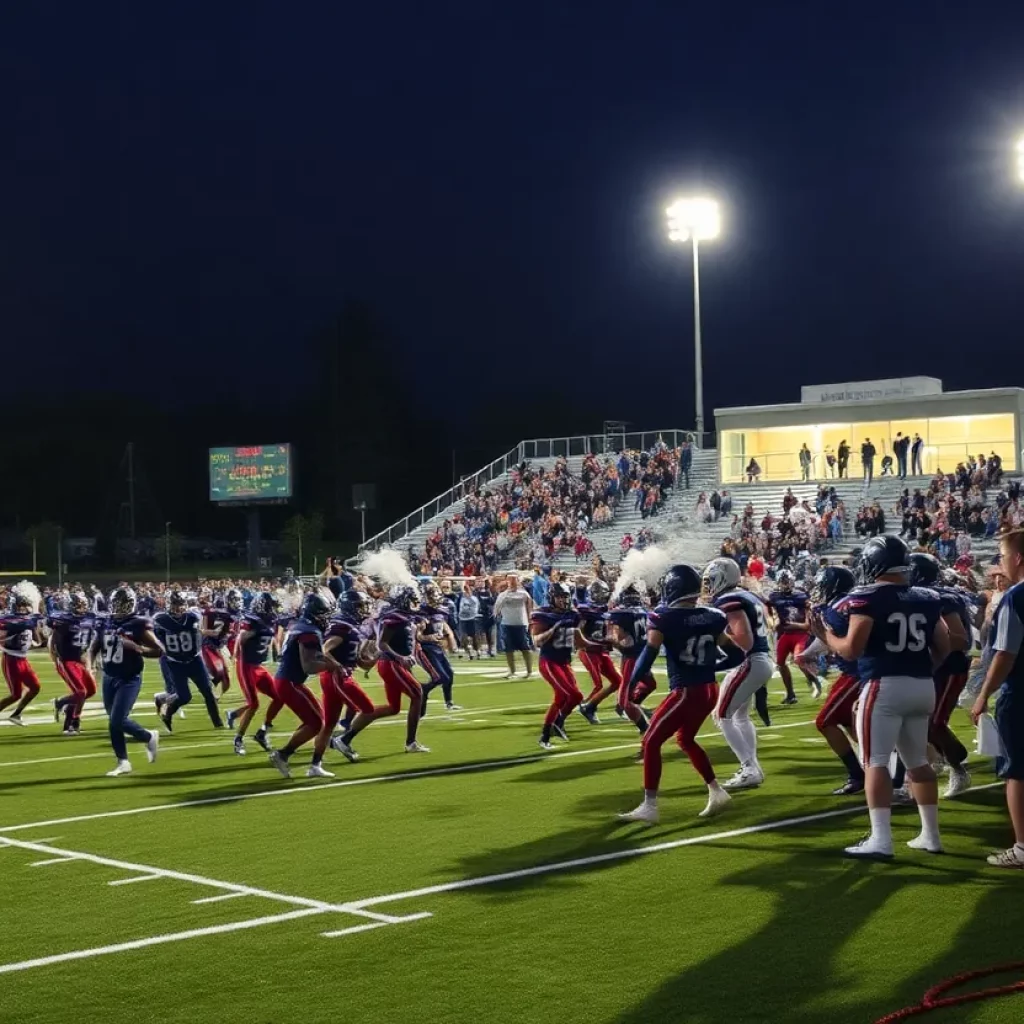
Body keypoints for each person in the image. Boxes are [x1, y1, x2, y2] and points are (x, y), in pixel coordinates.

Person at [825, 535, 949, 858]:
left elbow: (851, 650)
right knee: (918, 762)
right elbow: (945, 645)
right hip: (923, 686)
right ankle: (931, 835)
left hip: (884, 686)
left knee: (875, 763)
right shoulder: (926, 596)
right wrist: (919, 668)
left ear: (875, 562)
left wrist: (824, 636)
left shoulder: (866, 597)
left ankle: (881, 839)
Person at [617, 564, 737, 824]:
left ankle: (650, 806)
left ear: (672, 588)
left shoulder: (664, 616)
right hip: (709, 689)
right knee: (686, 739)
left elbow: (647, 655)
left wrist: (629, 686)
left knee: (650, 741)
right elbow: (736, 653)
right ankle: (717, 792)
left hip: (686, 691)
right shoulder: (714, 615)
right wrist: (711, 666)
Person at [970, 529, 1024, 868]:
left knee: (1016, 771)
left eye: (1002, 555)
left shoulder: (1016, 597)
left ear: (1017, 557)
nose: (999, 563)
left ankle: (1021, 847)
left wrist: (983, 695)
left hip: (1020, 693)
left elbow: (1005, 653)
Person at [703, 558, 774, 790]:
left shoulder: (729, 600)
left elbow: (744, 639)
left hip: (750, 659)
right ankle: (751, 767)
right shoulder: (747, 595)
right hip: (761, 659)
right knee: (740, 716)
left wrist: (718, 639)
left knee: (721, 715)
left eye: (711, 580)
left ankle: (749, 767)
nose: (708, 586)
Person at [908, 554, 972, 797]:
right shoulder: (922, 595)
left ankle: (958, 767)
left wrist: (929, 638)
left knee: (933, 723)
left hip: (949, 668)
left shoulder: (940, 598)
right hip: (931, 668)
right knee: (921, 723)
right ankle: (942, 759)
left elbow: (960, 640)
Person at [90, 586, 162, 777]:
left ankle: (138, 747)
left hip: (129, 678)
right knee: (114, 721)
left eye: (124, 604)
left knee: (117, 720)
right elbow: (94, 647)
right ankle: (130, 754)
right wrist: (91, 666)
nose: (120, 608)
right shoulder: (105, 622)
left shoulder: (137, 624)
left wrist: (139, 648)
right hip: (109, 676)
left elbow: (159, 650)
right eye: (117, 604)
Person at [267, 590, 340, 777]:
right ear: (314, 613)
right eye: (324, 613)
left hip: (290, 680)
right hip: (289, 681)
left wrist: (327, 661)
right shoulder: (309, 632)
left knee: (318, 719)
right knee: (316, 723)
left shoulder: (301, 626)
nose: (327, 617)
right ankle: (283, 754)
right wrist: (330, 666)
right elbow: (309, 666)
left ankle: (295, 758)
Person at [805, 567, 863, 795]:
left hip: (858, 673)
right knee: (848, 722)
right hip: (851, 671)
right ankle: (869, 769)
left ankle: (859, 774)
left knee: (825, 721)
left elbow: (844, 644)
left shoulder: (839, 608)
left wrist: (816, 642)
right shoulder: (846, 604)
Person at [312, 591, 378, 776]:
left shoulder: (349, 626)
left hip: (336, 676)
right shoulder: (342, 627)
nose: (364, 609)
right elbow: (323, 650)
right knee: (368, 709)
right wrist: (338, 666)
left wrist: (375, 657)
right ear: (350, 607)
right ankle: (344, 740)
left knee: (330, 723)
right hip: (338, 677)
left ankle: (315, 765)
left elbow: (359, 662)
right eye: (360, 606)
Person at [229, 591, 283, 755]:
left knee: (280, 696)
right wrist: (236, 653)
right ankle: (238, 739)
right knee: (254, 704)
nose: (274, 609)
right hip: (246, 666)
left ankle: (263, 731)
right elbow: (241, 637)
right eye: (271, 606)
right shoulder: (253, 620)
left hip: (258, 666)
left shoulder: (269, 621)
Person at [531, 581, 583, 749]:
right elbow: (537, 641)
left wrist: (598, 643)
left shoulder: (573, 615)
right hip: (549, 661)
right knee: (571, 696)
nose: (564, 601)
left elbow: (579, 639)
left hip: (564, 662)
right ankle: (554, 727)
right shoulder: (543, 615)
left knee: (568, 698)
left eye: (566, 597)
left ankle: (548, 733)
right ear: (552, 598)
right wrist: (552, 629)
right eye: (560, 597)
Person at [47, 590, 99, 735]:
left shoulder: (88, 619)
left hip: (80, 659)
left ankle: (63, 704)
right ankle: (73, 722)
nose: (81, 608)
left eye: (83, 605)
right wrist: (55, 658)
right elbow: (53, 641)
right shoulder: (63, 621)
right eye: (78, 605)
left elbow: (87, 644)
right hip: (66, 660)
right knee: (80, 692)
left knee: (90, 691)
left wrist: (89, 664)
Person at [766, 570, 821, 704]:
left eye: (787, 581)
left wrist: (791, 624)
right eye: (783, 582)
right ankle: (790, 694)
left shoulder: (801, 595)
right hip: (784, 634)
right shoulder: (773, 597)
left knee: (799, 659)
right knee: (780, 663)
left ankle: (813, 680)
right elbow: (768, 614)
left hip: (799, 634)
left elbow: (806, 625)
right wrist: (772, 621)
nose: (785, 584)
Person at [608, 583, 654, 740]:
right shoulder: (642, 611)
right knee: (650, 684)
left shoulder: (621, 613)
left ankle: (645, 729)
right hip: (643, 655)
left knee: (625, 701)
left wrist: (611, 640)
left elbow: (618, 637)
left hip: (632, 658)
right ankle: (634, 706)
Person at [576, 580, 622, 723]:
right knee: (598, 685)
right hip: (589, 650)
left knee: (618, 681)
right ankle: (586, 706)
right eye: (600, 592)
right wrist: (582, 643)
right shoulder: (586, 610)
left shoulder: (606, 610)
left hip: (602, 651)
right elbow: (578, 628)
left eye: (604, 592)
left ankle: (587, 704)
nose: (603, 595)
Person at [0, 587, 45, 725]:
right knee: (16, 694)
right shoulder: (9, 620)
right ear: (16, 606)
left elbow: (38, 640)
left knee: (35, 687)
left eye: (26, 605)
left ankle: (16, 714)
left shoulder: (27, 620)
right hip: (11, 658)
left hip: (23, 659)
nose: (26, 608)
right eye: (22, 605)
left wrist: (35, 628)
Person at [417, 583, 459, 714]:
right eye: (432, 593)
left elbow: (444, 628)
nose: (435, 596)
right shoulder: (422, 612)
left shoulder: (442, 610)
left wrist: (450, 639)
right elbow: (417, 635)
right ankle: (423, 690)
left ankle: (449, 702)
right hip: (426, 649)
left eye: (436, 592)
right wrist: (429, 637)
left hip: (438, 648)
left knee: (449, 675)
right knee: (441, 677)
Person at [494, 573, 534, 679]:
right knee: (508, 649)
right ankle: (512, 671)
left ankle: (529, 671)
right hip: (507, 623)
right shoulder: (502, 595)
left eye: (514, 580)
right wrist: (506, 594)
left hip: (521, 624)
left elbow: (530, 604)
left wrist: (530, 618)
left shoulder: (523, 594)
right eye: (510, 580)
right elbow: (496, 609)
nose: (512, 582)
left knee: (525, 648)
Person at [457, 583, 480, 659]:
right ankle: (468, 652)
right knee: (464, 636)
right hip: (462, 619)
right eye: (465, 591)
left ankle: (477, 650)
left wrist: (469, 595)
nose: (465, 593)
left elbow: (475, 609)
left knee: (473, 636)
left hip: (471, 619)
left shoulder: (474, 599)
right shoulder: (462, 599)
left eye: (467, 591)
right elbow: (460, 608)